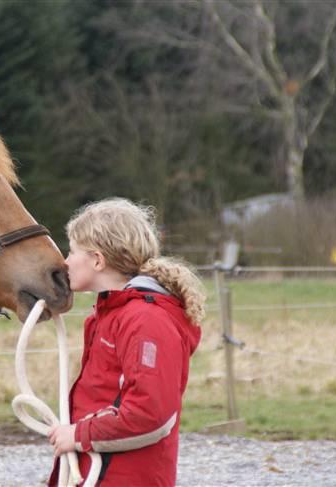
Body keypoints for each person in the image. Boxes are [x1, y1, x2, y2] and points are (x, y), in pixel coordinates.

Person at [47, 198, 205, 487]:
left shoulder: (145, 320)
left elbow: (151, 413)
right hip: (100, 471)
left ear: (97, 260)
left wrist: (79, 435)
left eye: (71, 252)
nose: (66, 262)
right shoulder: (111, 314)